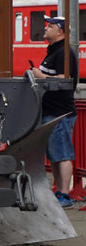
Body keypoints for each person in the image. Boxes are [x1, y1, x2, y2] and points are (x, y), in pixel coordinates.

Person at [32, 14, 79, 208]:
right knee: (54, 154)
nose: (45, 28)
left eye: (49, 26)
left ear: (59, 31)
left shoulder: (63, 53)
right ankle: (58, 190)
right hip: (51, 111)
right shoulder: (54, 51)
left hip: (60, 112)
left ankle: (65, 194)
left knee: (62, 154)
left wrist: (40, 76)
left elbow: (64, 79)